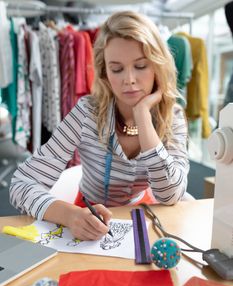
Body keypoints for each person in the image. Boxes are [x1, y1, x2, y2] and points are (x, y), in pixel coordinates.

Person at [10, 11, 190, 241]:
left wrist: (143, 116)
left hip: (145, 215)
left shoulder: (172, 116)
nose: (129, 79)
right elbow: (21, 184)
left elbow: (170, 195)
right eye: (117, 69)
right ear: (105, 74)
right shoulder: (87, 112)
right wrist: (70, 215)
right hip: (85, 214)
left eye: (141, 66)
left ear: (158, 66)